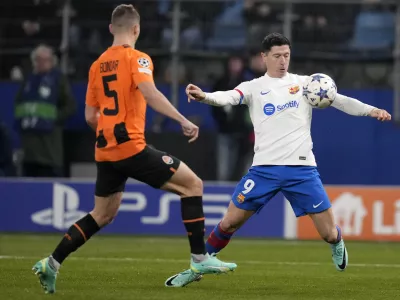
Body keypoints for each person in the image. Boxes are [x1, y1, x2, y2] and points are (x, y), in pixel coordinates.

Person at [32, 4, 236, 294]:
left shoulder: (96, 65)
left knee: (101, 214)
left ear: (111, 28)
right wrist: (182, 120)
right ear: (137, 29)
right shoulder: (137, 58)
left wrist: (109, 132)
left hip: (105, 151)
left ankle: (51, 263)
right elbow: (149, 92)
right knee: (193, 185)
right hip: (130, 147)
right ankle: (200, 258)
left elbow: (91, 116)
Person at [165, 32, 392, 287]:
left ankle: (337, 242)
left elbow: (341, 101)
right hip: (263, 171)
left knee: (328, 233)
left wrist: (372, 110)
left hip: (303, 171)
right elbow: (229, 96)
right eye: (277, 56)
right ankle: (197, 267)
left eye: (286, 55)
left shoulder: (307, 84)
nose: (283, 60)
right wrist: (205, 96)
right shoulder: (254, 87)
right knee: (229, 223)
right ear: (264, 57)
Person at [14, 44, 76, 177]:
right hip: (29, 150)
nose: (41, 63)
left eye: (45, 60)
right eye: (38, 59)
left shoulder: (59, 80)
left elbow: (70, 106)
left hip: (49, 151)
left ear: (52, 61)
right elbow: (18, 104)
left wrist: (54, 117)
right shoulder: (28, 80)